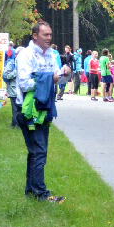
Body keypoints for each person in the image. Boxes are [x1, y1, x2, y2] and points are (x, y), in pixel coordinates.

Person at [15, 21, 70, 203]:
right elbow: (24, 83)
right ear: (35, 36)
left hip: (44, 110)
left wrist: (65, 73)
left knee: (35, 152)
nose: (49, 38)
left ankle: (31, 190)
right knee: (39, 151)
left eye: (50, 34)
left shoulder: (51, 55)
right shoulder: (26, 55)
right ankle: (41, 193)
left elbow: (58, 79)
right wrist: (48, 78)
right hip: (29, 112)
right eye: (45, 35)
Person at [3, 46, 22, 127]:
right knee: (16, 109)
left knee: (19, 108)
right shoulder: (11, 64)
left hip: (21, 89)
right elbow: (5, 76)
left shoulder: (23, 64)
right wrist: (16, 72)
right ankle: (17, 125)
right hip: (13, 90)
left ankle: (14, 124)